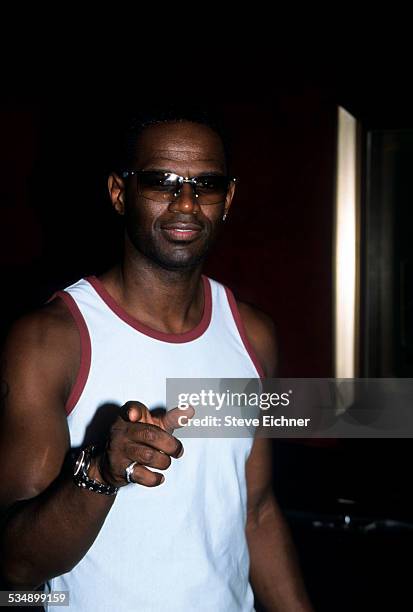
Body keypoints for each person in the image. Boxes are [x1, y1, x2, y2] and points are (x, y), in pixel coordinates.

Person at [0, 108, 313, 611]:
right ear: (119, 192)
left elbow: (255, 512)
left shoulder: (253, 334)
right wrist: (103, 472)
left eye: (206, 184)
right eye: (161, 181)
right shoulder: (50, 340)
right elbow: (17, 564)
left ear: (227, 199)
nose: (186, 202)